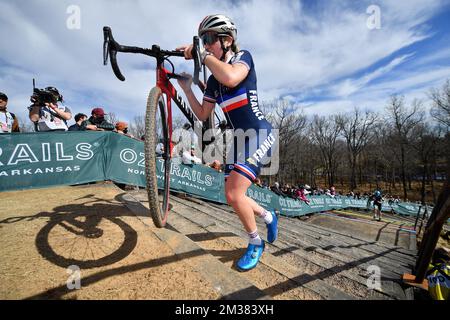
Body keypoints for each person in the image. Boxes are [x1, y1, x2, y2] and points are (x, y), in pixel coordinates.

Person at [176, 14, 278, 271]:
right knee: (233, 196)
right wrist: (188, 89)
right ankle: (267, 215)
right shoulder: (212, 80)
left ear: (228, 40)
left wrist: (202, 55)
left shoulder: (243, 57)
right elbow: (202, 114)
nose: (206, 45)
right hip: (238, 139)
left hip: (259, 133)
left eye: (209, 39)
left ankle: (255, 243)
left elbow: (232, 78)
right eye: (202, 40)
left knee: (234, 193)